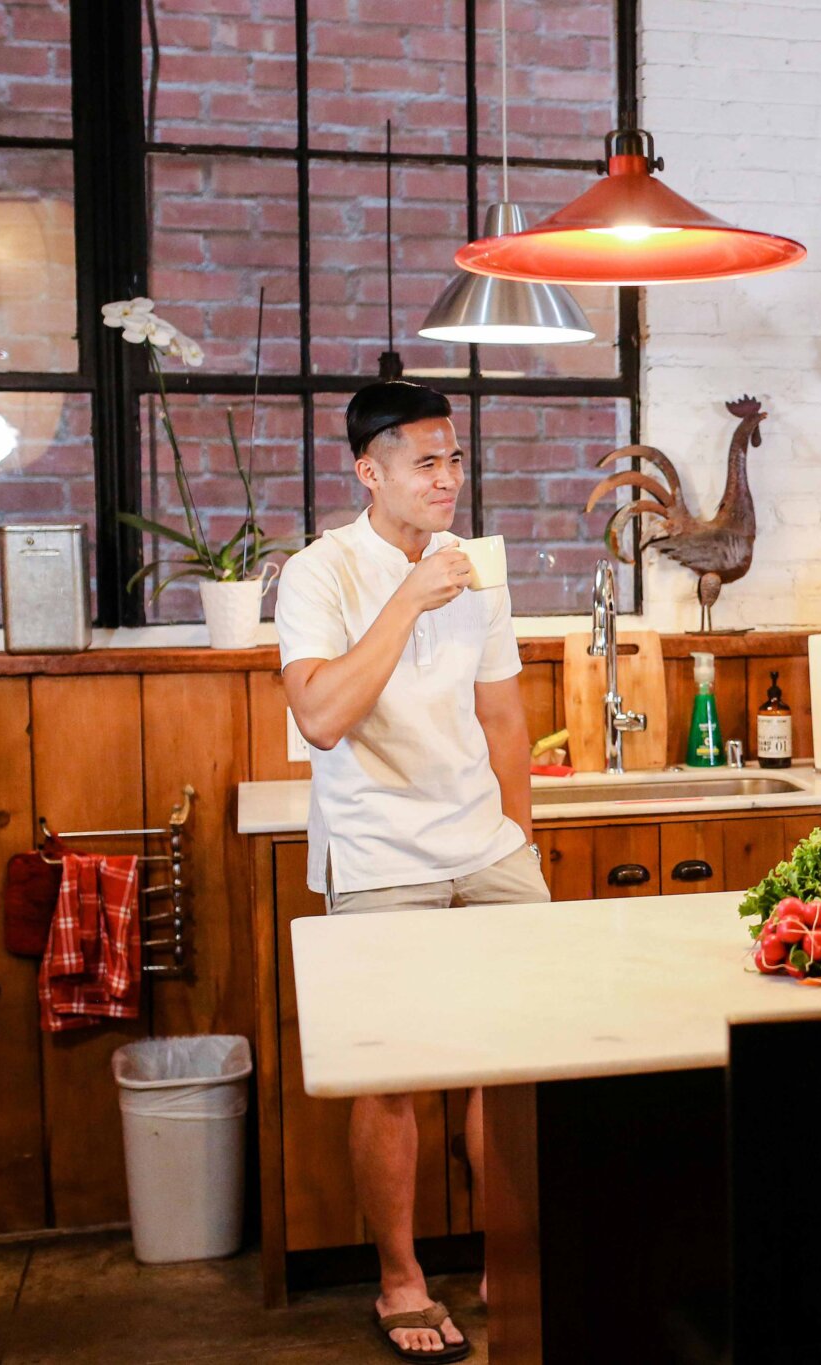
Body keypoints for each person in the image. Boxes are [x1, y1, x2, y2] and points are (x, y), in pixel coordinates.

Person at [275, 380, 547, 1363]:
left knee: (515, 1064)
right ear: (369, 471)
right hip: (379, 848)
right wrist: (407, 596)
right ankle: (400, 1278)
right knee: (393, 1076)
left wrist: (515, 838)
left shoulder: (478, 570)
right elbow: (320, 717)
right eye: (425, 461)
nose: (447, 478)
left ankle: (507, 1259)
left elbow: (505, 717)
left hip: (485, 845)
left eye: (455, 459)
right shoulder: (317, 574)